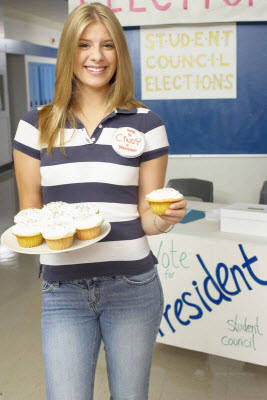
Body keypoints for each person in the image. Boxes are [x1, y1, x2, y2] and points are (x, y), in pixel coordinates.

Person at [13, 2, 187, 399]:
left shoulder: (147, 124)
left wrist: (166, 219)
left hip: (133, 285)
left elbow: (147, 218)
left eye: (108, 45)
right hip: (63, 290)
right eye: (84, 44)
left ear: (119, 54)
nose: (96, 56)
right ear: (68, 51)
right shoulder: (34, 125)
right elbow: (30, 214)